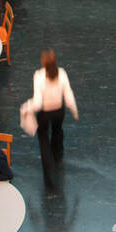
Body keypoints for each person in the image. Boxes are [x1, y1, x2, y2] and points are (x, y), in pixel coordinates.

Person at [31, 49, 79, 182]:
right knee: (57, 131)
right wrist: (74, 110)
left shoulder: (39, 76)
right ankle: (57, 155)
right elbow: (68, 94)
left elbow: (37, 101)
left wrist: (28, 108)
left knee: (43, 136)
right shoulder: (62, 73)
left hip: (45, 113)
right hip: (59, 111)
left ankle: (48, 166)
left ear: (43, 63)